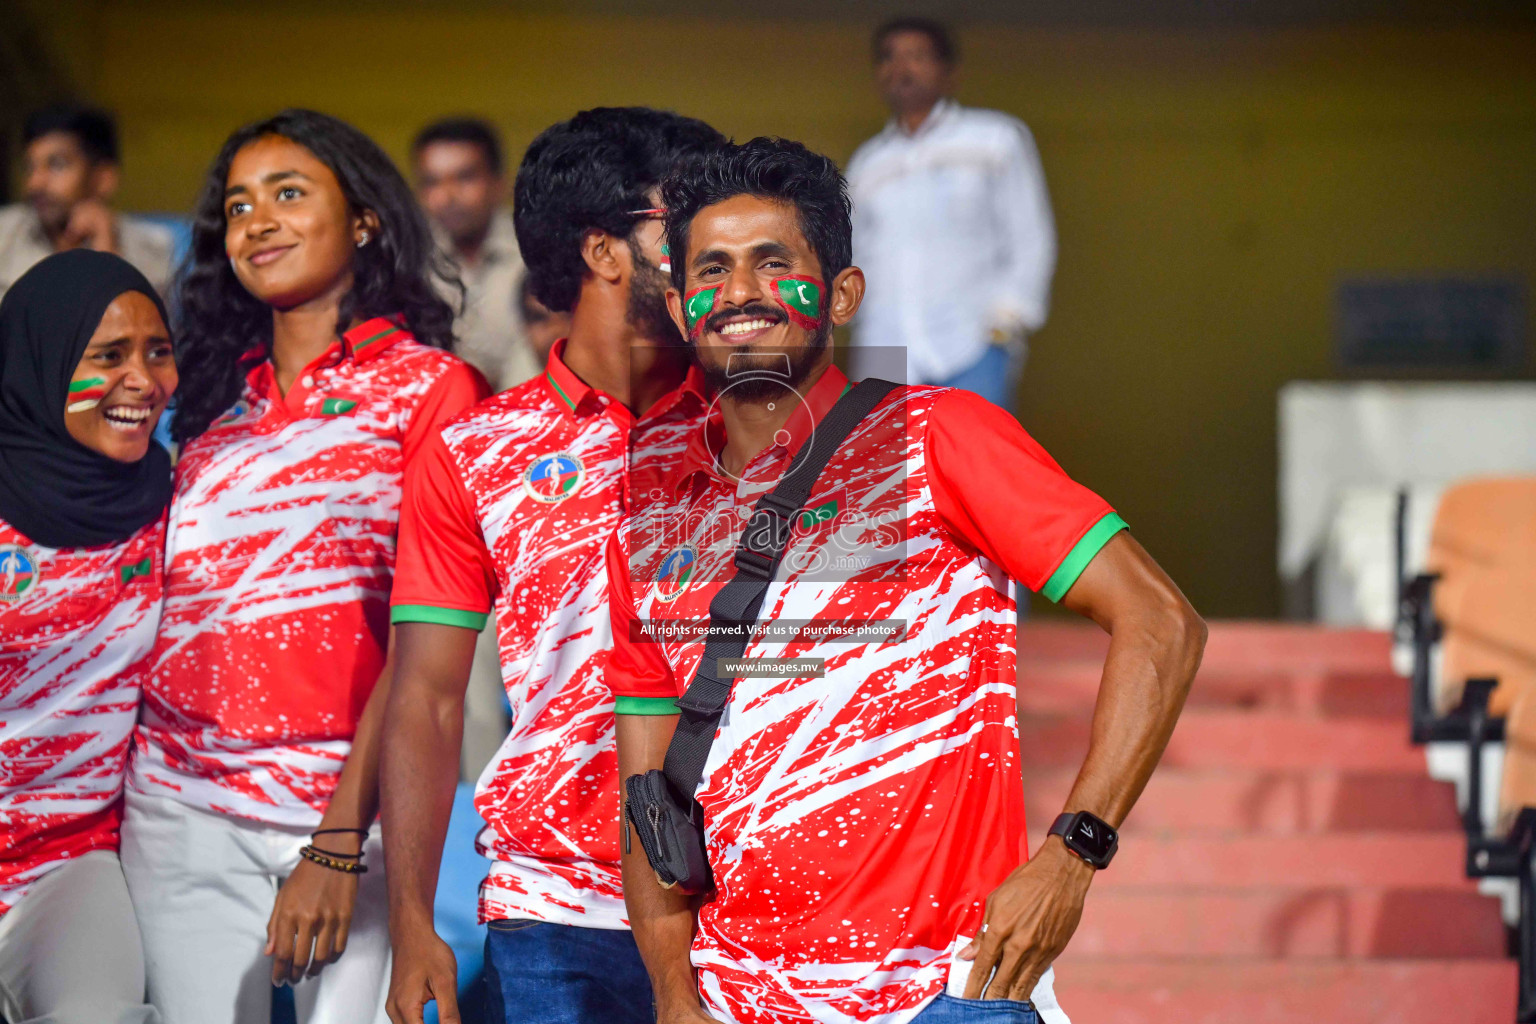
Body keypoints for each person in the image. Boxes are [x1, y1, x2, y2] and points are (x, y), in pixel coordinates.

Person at [606, 137, 1206, 1024]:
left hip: (946, 992)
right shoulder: (652, 506)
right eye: (714, 270)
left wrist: (1072, 856)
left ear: (842, 293)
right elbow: (647, 785)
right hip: (737, 1001)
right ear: (681, 303)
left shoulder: (940, 438)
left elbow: (1161, 620)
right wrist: (671, 990)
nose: (739, 294)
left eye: (775, 265)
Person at [121, 109, 489, 1024]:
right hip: (177, 807)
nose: (257, 222)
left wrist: (334, 844)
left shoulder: (433, 391)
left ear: (364, 218)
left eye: (289, 194)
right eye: (238, 207)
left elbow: (422, 647)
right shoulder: (206, 398)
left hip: (346, 809)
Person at [382, 106, 723, 1024]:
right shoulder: (474, 452)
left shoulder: (771, 425)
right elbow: (427, 698)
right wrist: (415, 920)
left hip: (748, 910)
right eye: (685, 216)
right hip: (555, 910)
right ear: (605, 252)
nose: (719, 238)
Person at [0, 250, 178, 1023]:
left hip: (67, 862)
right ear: (38, 360)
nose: (143, 380)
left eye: (158, 352)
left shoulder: (176, 502)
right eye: (108, 356)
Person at [845, 17, 1056, 410]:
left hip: (972, 341)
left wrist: (1006, 320)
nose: (902, 68)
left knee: (968, 466)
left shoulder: (995, 139)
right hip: (885, 346)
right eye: (890, 58)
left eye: (918, 56)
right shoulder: (868, 162)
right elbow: (853, 254)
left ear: (948, 71)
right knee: (887, 469)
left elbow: (1030, 233)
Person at [412, 117, 540, 393]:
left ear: (499, 183)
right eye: (432, 182)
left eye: (465, 177)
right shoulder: (409, 260)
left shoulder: (536, 250)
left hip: (530, 418)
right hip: (437, 417)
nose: (447, 195)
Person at [0, 105, 175, 299]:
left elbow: (136, 325)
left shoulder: (150, 248)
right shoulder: (5, 235)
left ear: (103, 179)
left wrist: (106, 248)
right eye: (30, 167)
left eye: (57, 165)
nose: (35, 183)